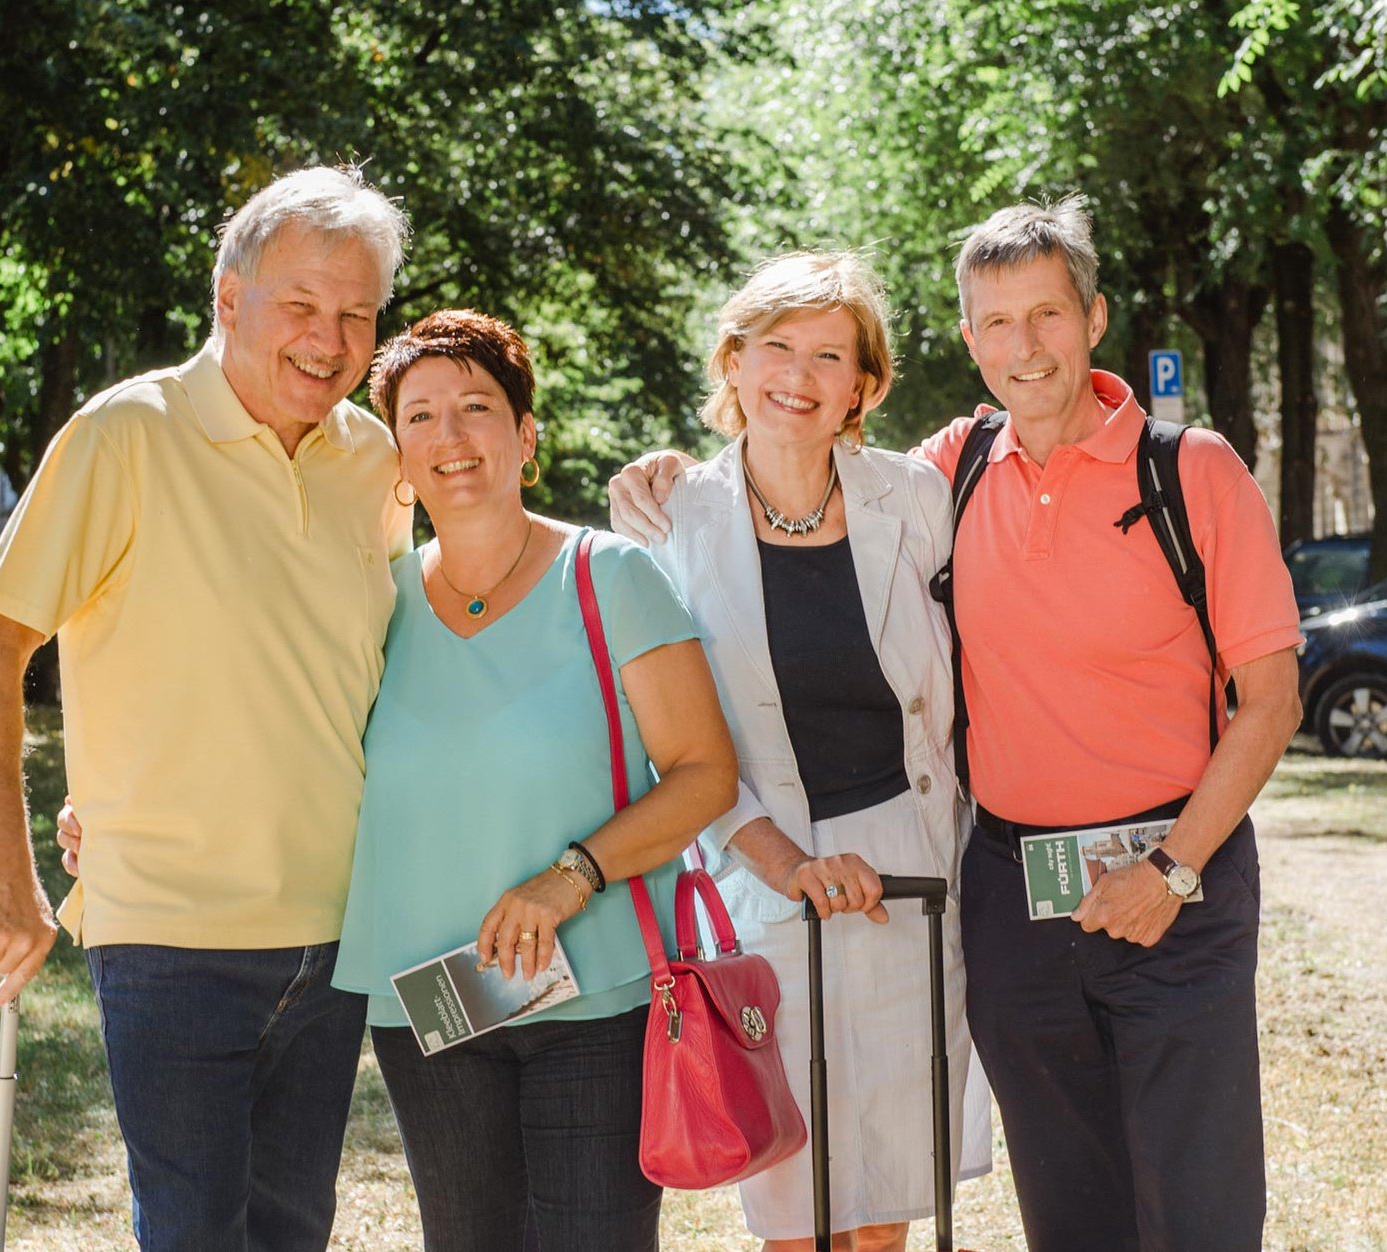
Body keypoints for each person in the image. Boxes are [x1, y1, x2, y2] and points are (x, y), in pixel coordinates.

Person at [608, 197, 1304, 1252]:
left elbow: (1272, 699)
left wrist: (1169, 870)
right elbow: (781, 487)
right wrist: (660, 472)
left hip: (1173, 880)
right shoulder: (953, 472)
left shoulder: (1183, 470)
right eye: (996, 322)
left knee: (1199, 1208)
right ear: (969, 339)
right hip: (1011, 899)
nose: (1025, 348)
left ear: (1094, 317)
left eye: (1048, 316)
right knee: (1067, 1206)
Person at [64, 309, 740, 1251]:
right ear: (396, 455)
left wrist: (570, 876)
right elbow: (274, 720)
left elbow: (706, 774)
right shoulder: (377, 600)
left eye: (476, 408)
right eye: (418, 418)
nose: (449, 437)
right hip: (436, 1002)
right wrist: (115, 797)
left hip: (597, 992)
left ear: (525, 434)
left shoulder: (609, 576)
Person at [0, 165, 414, 1251]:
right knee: (196, 1230)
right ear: (229, 297)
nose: (329, 338)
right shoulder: (127, 435)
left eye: (355, 313)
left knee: (295, 1229)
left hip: (338, 931)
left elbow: (366, 663)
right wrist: (1, 869)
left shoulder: (376, 459)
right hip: (172, 933)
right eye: (300, 304)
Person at [638, 252, 991, 1252]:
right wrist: (784, 863)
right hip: (764, 868)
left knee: (879, 1205)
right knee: (792, 1204)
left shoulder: (917, 500)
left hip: (906, 864)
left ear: (862, 386)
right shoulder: (672, 520)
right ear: (735, 363)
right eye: (775, 347)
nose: (797, 374)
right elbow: (677, 741)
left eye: (828, 354)